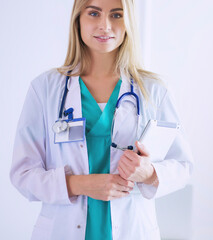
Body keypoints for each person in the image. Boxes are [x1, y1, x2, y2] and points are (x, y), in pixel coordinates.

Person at [9, 0, 193, 239]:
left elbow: (182, 165)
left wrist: (149, 173)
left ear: (128, 22)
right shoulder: (45, 89)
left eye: (116, 15)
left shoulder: (154, 90)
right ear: (78, 19)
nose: (105, 25)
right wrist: (79, 184)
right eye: (94, 13)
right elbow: (23, 173)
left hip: (132, 229)